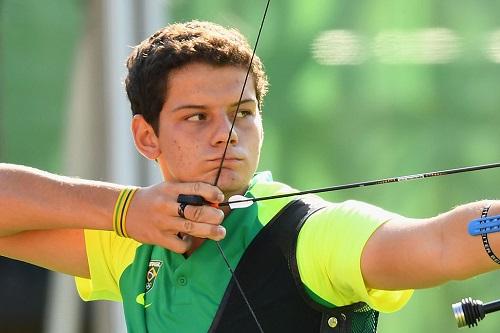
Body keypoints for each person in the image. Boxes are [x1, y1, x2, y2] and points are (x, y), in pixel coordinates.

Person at [0, 20, 499, 333]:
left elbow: (437, 243)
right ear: (147, 137)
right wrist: (126, 211)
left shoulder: (309, 235)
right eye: (197, 116)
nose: (226, 134)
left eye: (242, 112)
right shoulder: (132, 240)